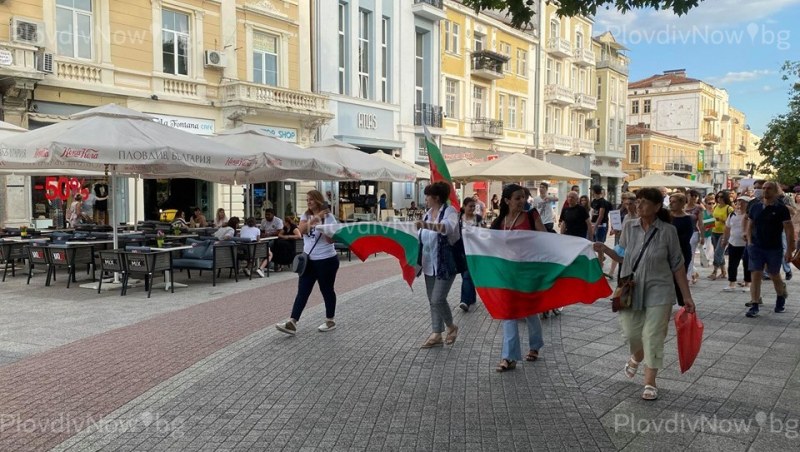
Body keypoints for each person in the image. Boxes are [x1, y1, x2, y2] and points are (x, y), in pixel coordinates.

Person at [593, 187, 695, 401]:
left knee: (653, 335)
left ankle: (650, 382)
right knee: (631, 333)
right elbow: (621, 256)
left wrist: (686, 296)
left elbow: (678, 265)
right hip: (632, 288)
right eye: (637, 201)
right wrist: (603, 248)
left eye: (644, 202)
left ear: (657, 206)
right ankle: (636, 356)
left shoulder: (668, 231)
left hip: (660, 289)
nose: (638, 205)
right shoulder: (629, 227)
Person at [491, 184, 547, 372]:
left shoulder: (531, 216)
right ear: (507, 201)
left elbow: (545, 239)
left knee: (530, 310)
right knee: (509, 312)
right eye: (517, 198)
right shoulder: (499, 222)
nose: (522, 201)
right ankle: (509, 356)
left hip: (528, 271)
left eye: (523, 197)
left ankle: (535, 345)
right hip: (507, 272)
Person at [276, 191, 340, 335]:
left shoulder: (329, 218)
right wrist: (317, 218)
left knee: (327, 290)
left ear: (318, 201)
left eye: (311, 200)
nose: (309, 202)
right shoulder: (306, 216)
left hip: (327, 260)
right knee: (303, 291)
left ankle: (330, 320)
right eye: (307, 200)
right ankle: (292, 322)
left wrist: (325, 230)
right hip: (309, 260)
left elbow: (332, 240)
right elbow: (302, 230)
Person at [415, 181, 460, 348]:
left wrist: (425, 225)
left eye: (427, 196)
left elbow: (447, 228)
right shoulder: (428, 213)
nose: (425, 199)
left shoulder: (450, 212)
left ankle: (451, 327)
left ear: (437, 197)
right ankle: (436, 333)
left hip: (445, 264)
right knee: (432, 300)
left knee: (438, 298)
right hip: (428, 264)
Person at [745, 181, 794, 317]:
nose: (765, 190)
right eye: (764, 188)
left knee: (774, 275)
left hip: (774, 248)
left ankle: (780, 297)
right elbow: (750, 225)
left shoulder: (781, 208)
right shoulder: (755, 207)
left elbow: (789, 230)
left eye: (769, 188)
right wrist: (749, 242)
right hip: (756, 247)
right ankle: (754, 305)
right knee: (755, 274)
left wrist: (790, 249)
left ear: (775, 191)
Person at [457, 197, 483, 313]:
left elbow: (484, 234)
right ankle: (471, 297)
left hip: (473, 251)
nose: (472, 208)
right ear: (464, 206)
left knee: (467, 274)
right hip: (461, 250)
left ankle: (464, 301)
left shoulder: (478, 219)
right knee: (465, 275)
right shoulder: (458, 219)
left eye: (474, 206)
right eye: (470, 206)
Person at [668, 193, 694, 306]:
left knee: (679, 277)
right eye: (670, 201)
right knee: (667, 277)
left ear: (681, 203)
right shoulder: (667, 216)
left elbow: (686, 237)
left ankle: (683, 302)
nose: (671, 204)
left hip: (682, 251)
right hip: (667, 251)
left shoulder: (687, 218)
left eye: (674, 201)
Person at [722, 196, 751, 292]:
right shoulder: (732, 214)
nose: (740, 204)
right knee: (732, 263)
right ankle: (731, 283)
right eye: (738, 202)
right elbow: (727, 228)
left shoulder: (750, 215)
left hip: (746, 243)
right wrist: (724, 240)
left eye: (743, 202)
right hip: (733, 242)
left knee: (747, 264)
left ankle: (747, 283)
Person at [708, 191, 734, 280]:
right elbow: (713, 219)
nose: (719, 199)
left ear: (725, 198)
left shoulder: (729, 208)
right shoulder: (715, 207)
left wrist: (721, 220)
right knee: (719, 252)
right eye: (718, 197)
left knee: (718, 252)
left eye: (722, 197)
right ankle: (723, 272)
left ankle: (714, 271)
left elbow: (732, 222)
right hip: (714, 231)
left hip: (724, 233)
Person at [685, 190, 706, 284]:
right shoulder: (681, 206)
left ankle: (688, 277)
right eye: (691, 195)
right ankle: (693, 273)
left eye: (696, 196)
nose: (693, 198)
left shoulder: (698, 208)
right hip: (681, 233)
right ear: (687, 196)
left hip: (693, 233)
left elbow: (701, 223)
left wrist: (702, 236)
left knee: (690, 255)